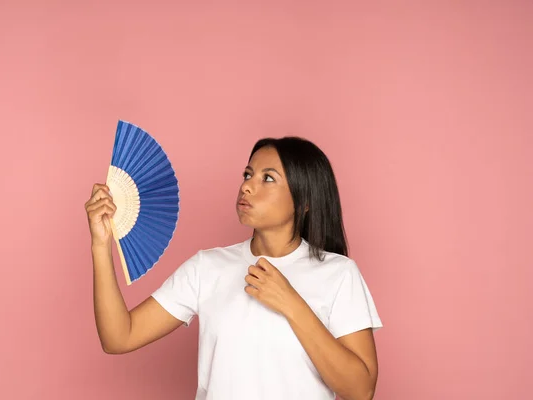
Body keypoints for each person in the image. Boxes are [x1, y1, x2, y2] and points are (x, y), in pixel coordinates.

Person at [85, 136, 383, 400]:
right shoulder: (207, 266)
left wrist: (292, 304)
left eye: (268, 178)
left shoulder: (339, 274)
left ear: (304, 200)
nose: (247, 186)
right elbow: (118, 337)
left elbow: (360, 391)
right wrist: (101, 245)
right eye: (248, 174)